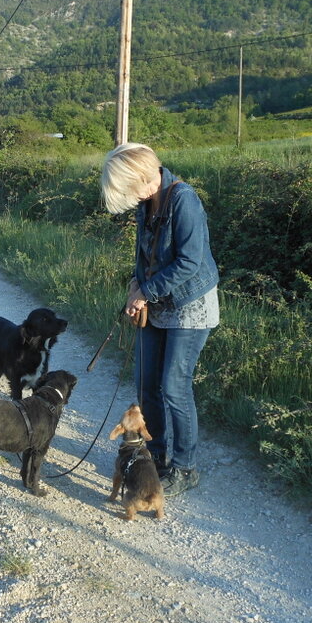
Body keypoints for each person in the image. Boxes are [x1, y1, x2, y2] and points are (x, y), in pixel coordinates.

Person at [100, 143, 220, 495]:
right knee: (145, 383)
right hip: (156, 300)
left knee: (174, 387)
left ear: (140, 176)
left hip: (190, 305)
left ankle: (185, 469)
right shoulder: (146, 202)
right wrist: (135, 286)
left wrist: (146, 291)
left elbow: (190, 262)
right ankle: (153, 457)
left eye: (127, 186)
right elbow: (144, 254)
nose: (127, 196)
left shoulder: (184, 200)